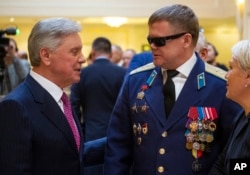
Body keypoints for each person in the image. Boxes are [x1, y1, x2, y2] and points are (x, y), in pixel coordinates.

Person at [103, 4, 242, 175]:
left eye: (159, 41)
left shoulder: (220, 85)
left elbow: (237, 150)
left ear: (186, 40)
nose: (152, 46)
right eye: (150, 40)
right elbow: (118, 146)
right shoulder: (136, 80)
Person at [0, 17, 105, 175]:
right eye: (74, 52)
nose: (83, 59)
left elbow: (69, 153)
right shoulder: (16, 106)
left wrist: (121, 139)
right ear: (46, 55)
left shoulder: (59, 98)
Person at [70, 36, 126, 175]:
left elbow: (74, 106)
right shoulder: (123, 73)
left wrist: (79, 132)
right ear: (111, 54)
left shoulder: (82, 73)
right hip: (118, 133)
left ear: (93, 53)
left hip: (91, 134)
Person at [208, 40, 250, 175]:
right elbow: (222, 162)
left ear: (248, 76)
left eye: (231, 68)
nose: (226, 75)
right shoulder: (241, 116)